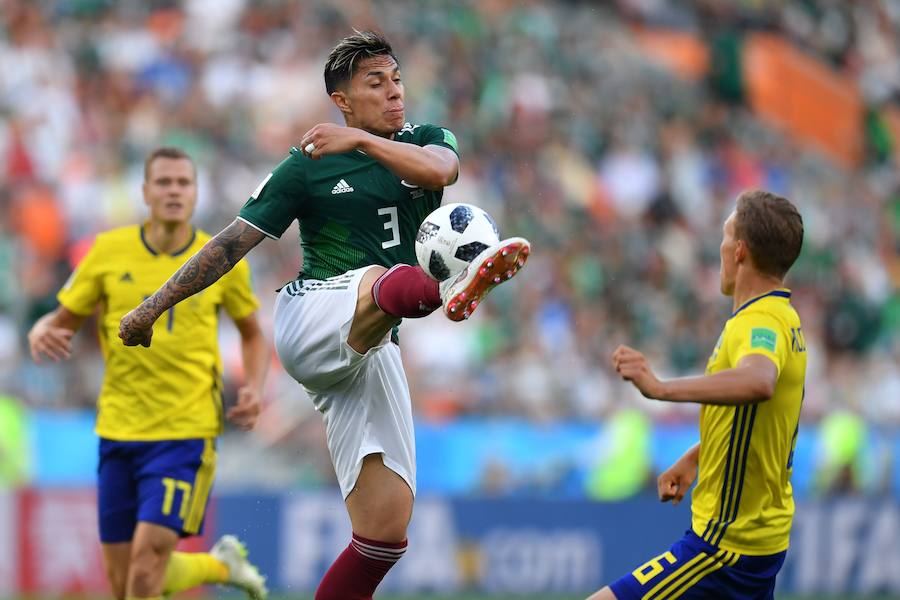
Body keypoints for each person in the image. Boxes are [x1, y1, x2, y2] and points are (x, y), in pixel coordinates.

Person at [119, 31, 529, 600]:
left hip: (373, 344)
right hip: (313, 315)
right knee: (373, 282)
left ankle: (450, 285)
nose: (394, 93)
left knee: (385, 532)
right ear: (342, 100)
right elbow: (230, 244)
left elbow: (442, 172)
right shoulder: (306, 166)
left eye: (396, 79)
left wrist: (360, 143)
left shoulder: (425, 140)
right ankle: (453, 284)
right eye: (375, 83)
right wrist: (152, 306)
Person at [28, 147, 269, 600]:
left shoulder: (218, 259)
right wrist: (41, 330)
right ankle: (220, 564)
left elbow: (253, 334)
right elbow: (60, 320)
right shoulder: (107, 251)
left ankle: (216, 563)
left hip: (185, 432)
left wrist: (255, 388)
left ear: (196, 193)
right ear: (145, 191)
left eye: (183, 183)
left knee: (143, 573)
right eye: (164, 182)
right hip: (118, 430)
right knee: (125, 585)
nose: (174, 191)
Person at [587, 190, 806, 600]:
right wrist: (695, 458)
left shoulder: (760, 323)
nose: (720, 248)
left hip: (725, 546)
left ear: (739, 251)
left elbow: (759, 382)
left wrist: (660, 388)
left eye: (725, 237)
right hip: (754, 540)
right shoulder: (783, 317)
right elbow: (762, 423)